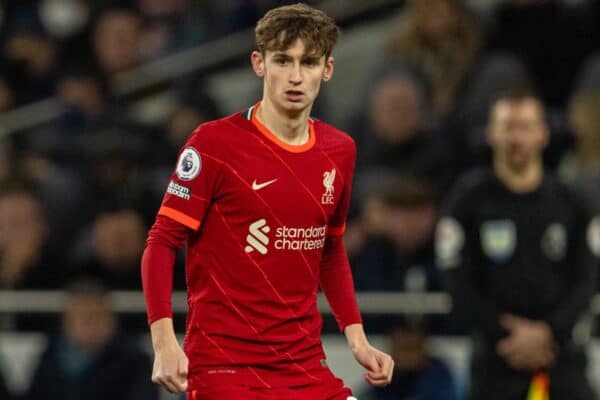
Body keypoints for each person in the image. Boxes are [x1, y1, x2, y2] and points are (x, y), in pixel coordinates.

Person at [141, 3, 394, 400]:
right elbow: (161, 242)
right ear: (259, 63)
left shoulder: (339, 150)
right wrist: (164, 343)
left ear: (327, 70)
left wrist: (357, 339)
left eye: (309, 63)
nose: (295, 76)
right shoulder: (214, 144)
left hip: (306, 367)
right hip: (225, 370)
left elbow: (328, 249)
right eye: (282, 60)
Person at [435, 85, 598, 400]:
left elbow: (588, 279)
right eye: (508, 127)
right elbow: (456, 281)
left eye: (525, 127)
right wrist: (507, 334)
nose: (517, 138)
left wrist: (549, 333)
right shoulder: (467, 201)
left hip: (561, 356)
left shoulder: (573, 203)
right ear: (491, 133)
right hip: (495, 358)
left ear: (543, 134)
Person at [22, 277, 158, 400]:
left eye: (95, 316)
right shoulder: (50, 357)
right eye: (82, 318)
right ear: (66, 322)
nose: (89, 325)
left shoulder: (135, 360)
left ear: (111, 319)